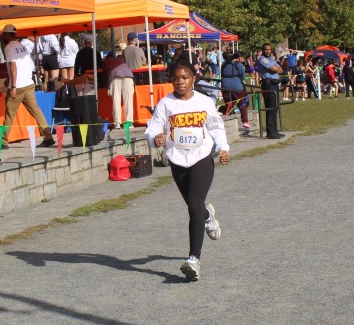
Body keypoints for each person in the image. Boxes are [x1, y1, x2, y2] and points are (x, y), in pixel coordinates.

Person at [145, 60, 230, 281]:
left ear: (193, 78)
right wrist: (155, 138)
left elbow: (215, 126)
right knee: (196, 206)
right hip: (178, 161)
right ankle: (207, 215)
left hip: (201, 157)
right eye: (175, 79)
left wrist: (223, 147)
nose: (180, 82)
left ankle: (194, 260)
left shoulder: (204, 101)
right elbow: (154, 127)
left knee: (193, 206)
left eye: (184, 77)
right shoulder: (165, 103)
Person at [0, 25, 55, 149]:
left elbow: (13, 66)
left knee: (9, 113)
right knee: (36, 111)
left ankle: (3, 142)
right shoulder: (22, 46)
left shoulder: (8, 47)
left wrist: (13, 85)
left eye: (3, 34)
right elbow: (25, 65)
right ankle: (48, 137)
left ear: (7, 34)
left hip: (18, 85)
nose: (2, 36)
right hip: (28, 83)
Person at [255, 43, 283, 138]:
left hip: (275, 84)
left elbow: (280, 69)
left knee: (274, 108)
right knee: (271, 108)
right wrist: (275, 69)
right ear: (263, 50)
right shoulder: (262, 59)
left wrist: (276, 69)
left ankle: (274, 130)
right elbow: (273, 68)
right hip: (268, 85)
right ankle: (270, 132)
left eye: (269, 49)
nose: (268, 51)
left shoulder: (271, 59)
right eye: (266, 49)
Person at [220, 51, 250, 130]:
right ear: (239, 58)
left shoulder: (224, 63)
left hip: (225, 85)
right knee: (242, 103)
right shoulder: (240, 65)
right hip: (237, 86)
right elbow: (243, 77)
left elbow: (222, 74)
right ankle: (245, 121)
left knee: (228, 103)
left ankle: (227, 118)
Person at [104, 53, 134, 129]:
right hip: (128, 76)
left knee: (116, 100)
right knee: (128, 101)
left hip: (115, 77)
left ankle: (117, 123)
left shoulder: (105, 61)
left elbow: (105, 75)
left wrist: (107, 86)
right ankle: (129, 122)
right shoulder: (121, 60)